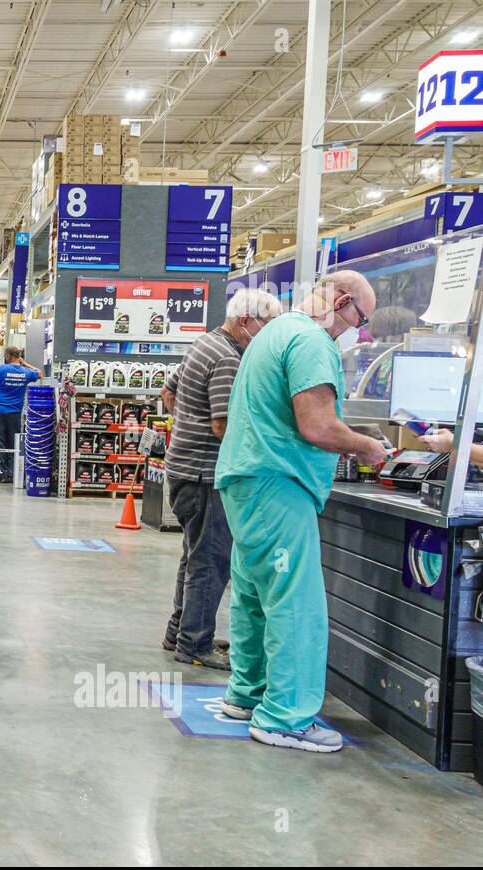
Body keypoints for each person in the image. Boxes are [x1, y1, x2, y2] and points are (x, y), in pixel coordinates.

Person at [214, 271, 387, 753]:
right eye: (360, 319)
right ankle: (286, 716)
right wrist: (366, 447)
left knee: (253, 591)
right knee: (296, 601)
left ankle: (247, 695)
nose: (356, 329)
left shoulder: (276, 331)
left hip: (247, 478)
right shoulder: (312, 340)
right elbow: (317, 426)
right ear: (344, 300)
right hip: (278, 481)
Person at [161, 288, 283, 670]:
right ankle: (195, 644)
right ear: (247, 321)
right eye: (267, 326)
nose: (268, 336)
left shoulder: (204, 343)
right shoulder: (229, 359)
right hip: (204, 474)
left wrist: (185, 424)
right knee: (211, 560)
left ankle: (180, 631)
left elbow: (169, 391)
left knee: (195, 554)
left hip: (183, 468)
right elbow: (222, 426)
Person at [0, 346, 41, 483]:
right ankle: (12, 474)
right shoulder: (26, 372)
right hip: (15, 412)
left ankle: (2, 474)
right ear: (18, 357)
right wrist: (24, 364)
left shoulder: (2, 369)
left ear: (7, 356)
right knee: (13, 442)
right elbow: (40, 373)